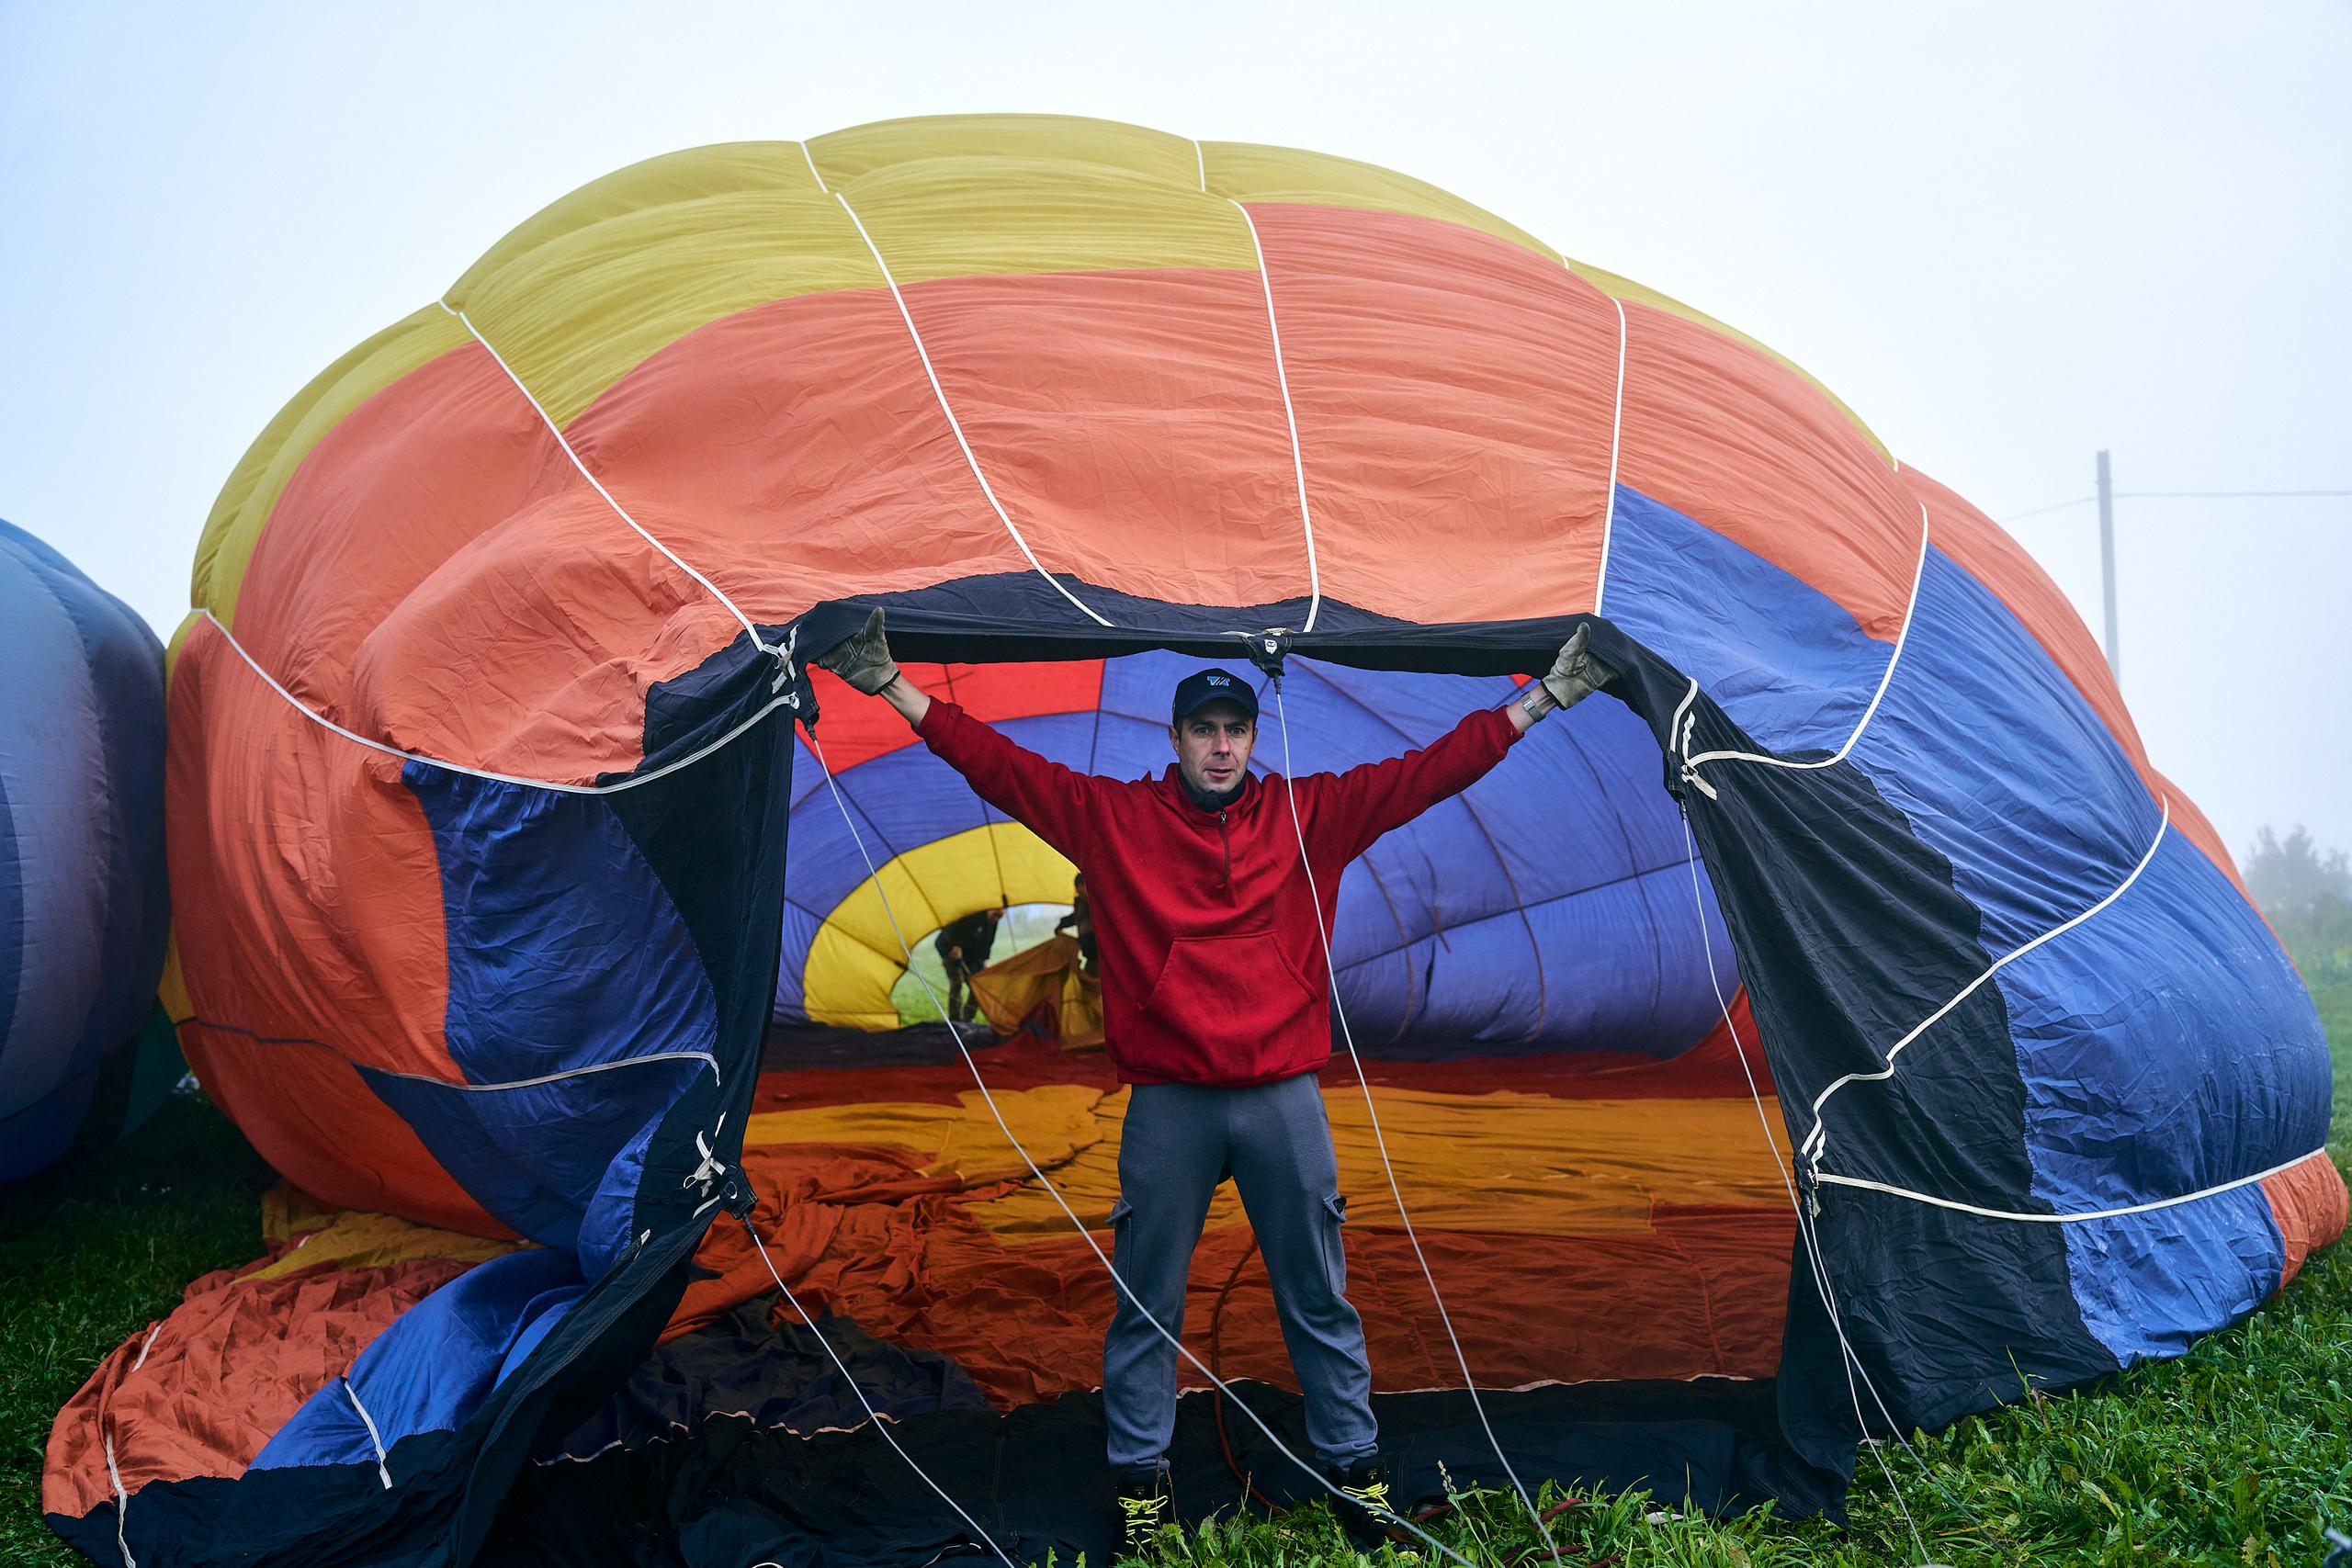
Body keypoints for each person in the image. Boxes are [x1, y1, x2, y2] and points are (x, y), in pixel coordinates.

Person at [814, 614, 1613, 1554]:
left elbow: (1431, 772)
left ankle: (1355, 1477)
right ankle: (1142, 1488)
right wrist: (890, 685)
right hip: (1170, 1102)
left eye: (1235, 728)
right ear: (1178, 740)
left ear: (1252, 736)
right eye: (1204, 729)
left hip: (1281, 1097)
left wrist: (1545, 698)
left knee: (1318, 1293)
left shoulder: (1312, 813)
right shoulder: (1114, 819)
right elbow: (998, 765)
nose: (1222, 744)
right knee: (1146, 1300)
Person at [934, 907, 1003, 1023]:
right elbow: (956, 930)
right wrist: (956, 946)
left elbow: (987, 942)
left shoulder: (992, 923)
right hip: (950, 949)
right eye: (995, 914)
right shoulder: (972, 914)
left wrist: (984, 960)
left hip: (970, 955)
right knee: (957, 982)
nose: (996, 919)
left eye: (1000, 916)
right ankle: (955, 1019)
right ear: (988, 910)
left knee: (979, 984)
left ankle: (967, 1018)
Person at [1055, 872, 1097, 975]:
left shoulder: (1096, 905)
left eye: (1081, 885)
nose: (1078, 890)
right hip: (1090, 955)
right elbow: (1075, 918)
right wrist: (1061, 925)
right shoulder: (1081, 905)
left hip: (1098, 956)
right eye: (1077, 886)